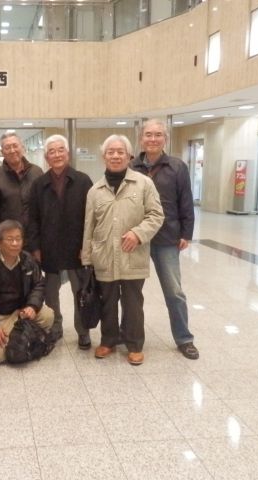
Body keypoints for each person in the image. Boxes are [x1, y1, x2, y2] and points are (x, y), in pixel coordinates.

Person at [82, 135, 164, 365]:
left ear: (129, 156)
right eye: (111, 152)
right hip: (104, 256)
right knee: (107, 301)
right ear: (104, 157)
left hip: (132, 254)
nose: (115, 156)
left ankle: (134, 344)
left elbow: (156, 215)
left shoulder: (144, 183)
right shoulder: (95, 190)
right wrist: (87, 258)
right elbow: (89, 226)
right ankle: (108, 340)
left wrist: (138, 233)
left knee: (132, 303)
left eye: (120, 152)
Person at [132, 119, 199, 360]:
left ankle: (184, 338)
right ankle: (129, 336)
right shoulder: (132, 166)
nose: (153, 139)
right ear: (141, 139)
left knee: (174, 291)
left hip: (167, 237)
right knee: (131, 293)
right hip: (138, 238)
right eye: (148, 134)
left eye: (158, 134)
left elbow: (186, 201)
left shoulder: (177, 167)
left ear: (165, 139)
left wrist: (186, 233)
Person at [28, 134, 93, 347]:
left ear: (68, 153)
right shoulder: (39, 184)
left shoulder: (83, 181)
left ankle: (83, 331)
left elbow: (91, 218)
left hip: (76, 248)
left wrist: (86, 247)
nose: (56, 155)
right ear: (46, 157)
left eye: (60, 150)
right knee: (50, 293)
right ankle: (56, 327)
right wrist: (35, 247)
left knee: (80, 292)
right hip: (49, 248)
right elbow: (32, 218)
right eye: (52, 151)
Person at [0, 220, 54, 364]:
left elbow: (39, 284)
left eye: (18, 239)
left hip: (20, 311)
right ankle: (19, 335)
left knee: (48, 316)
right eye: (10, 239)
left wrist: (32, 306)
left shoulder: (28, 259)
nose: (15, 243)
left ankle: (18, 335)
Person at [0, 131, 43, 250]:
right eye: (7, 148)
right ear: (2, 152)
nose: (12, 150)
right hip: (8, 241)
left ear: (22, 147)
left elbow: (45, 207)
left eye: (15, 146)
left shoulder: (37, 172)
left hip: (34, 240)